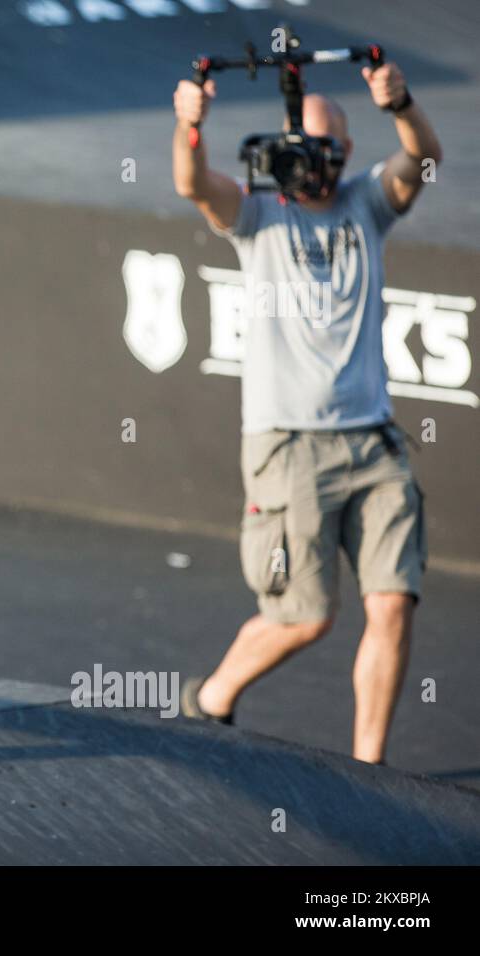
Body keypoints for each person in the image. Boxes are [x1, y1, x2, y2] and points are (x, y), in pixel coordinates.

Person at [171, 61, 441, 764]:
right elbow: (192, 184)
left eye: (317, 145)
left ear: (345, 152)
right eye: (292, 143)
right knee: (305, 615)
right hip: (289, 447)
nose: (301, 158)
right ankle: (209, 699)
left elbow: (424, 158)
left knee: (392, 602)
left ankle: (369, 769)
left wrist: (401, 103)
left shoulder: (367, 205)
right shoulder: (259, 214)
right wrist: (190, 124)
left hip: (374, 445)